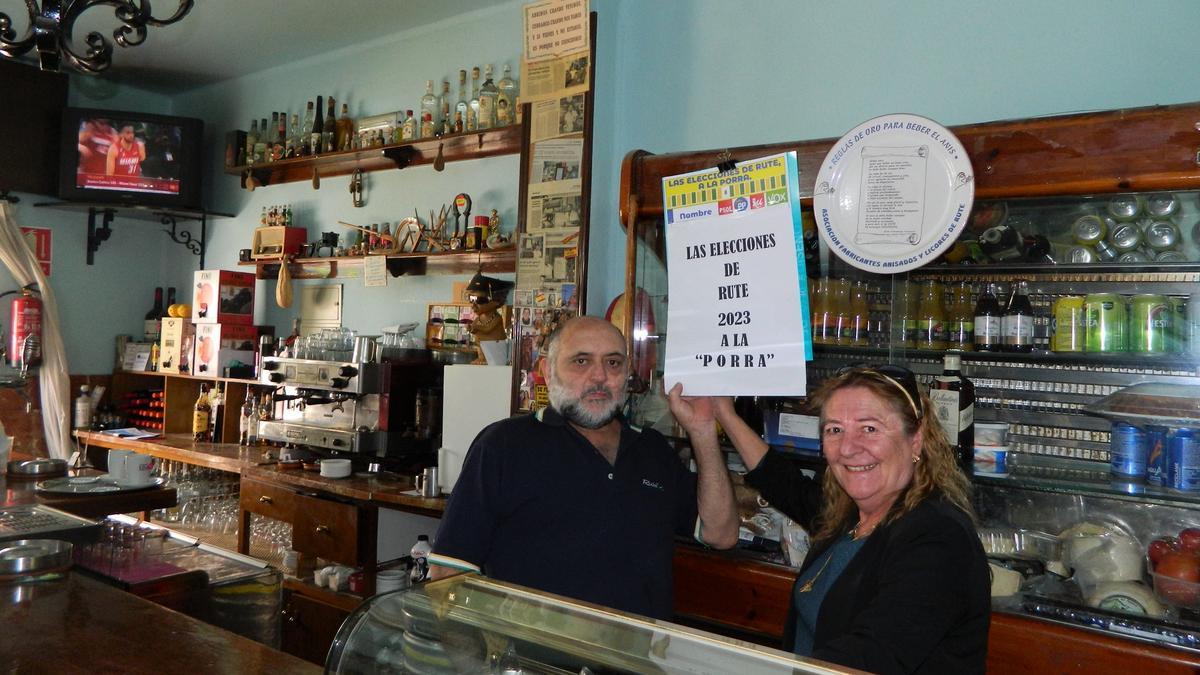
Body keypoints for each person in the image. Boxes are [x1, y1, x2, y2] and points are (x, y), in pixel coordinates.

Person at [669, 365, 989, 674]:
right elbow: (785, 484)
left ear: (915, 439)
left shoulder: (938, 538)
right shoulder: (852, 514)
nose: (848, 448)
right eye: (835, 430)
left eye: (869, 428)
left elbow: (870, 656)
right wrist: (724, 414)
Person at [429, 316, 739, 619]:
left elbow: (721, 534)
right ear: (547, 372)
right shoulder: (504, 446)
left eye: (613, 363)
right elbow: (449, 573)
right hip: (535, 661)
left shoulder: (652, 450)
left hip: (634, 661)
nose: (600, 376)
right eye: (581, 361)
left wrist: (702, 432)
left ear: (627, 375)